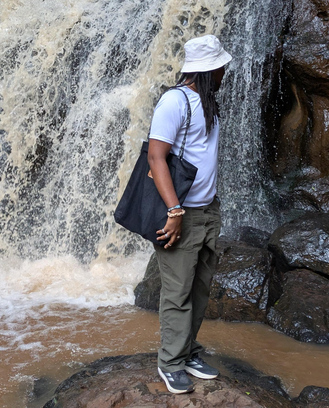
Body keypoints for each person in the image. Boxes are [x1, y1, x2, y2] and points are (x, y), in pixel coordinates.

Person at [147, 34, 231, 394]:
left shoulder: (206, 102)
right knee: (178, 291)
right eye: (221, 68)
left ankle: (188, 351)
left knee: (199, 289)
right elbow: (155, 157)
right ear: (208, 70)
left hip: (208, 210)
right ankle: (170, 362)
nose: (225, 72)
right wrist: (174, 210)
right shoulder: (174, 101)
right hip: (180, 213)